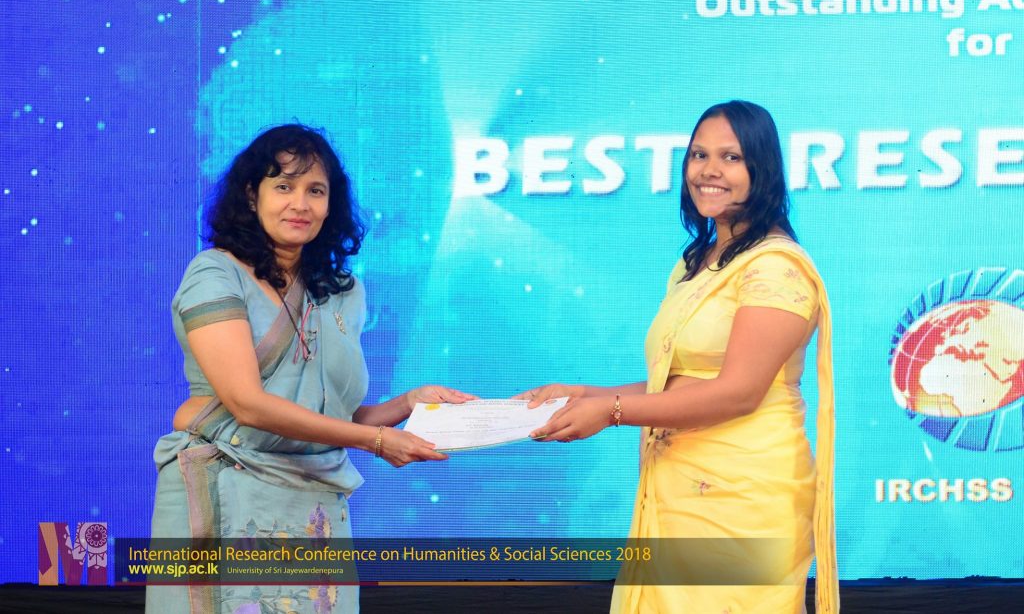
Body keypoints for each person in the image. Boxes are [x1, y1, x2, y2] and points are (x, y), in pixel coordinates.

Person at [520, 101, 838, 613]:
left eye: (731, 157)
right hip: (675, 490)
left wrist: (611, 412)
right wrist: (582, 394)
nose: (708, 170)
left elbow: (737, 392)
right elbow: (679, 381)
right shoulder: (697, 262)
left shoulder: (777, 269)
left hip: (741, 499)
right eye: (698, 155)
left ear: (763, 168)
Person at [147, 124, 474, 613]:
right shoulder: (215, 273)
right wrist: (375, 441)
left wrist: (408, 403)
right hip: (227, 491)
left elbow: (328, 418)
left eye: (315, 191)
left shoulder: (341, 291)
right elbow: (248, 405)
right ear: (251, 195)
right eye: (284, 186)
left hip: (314, 507)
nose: (300, 204)